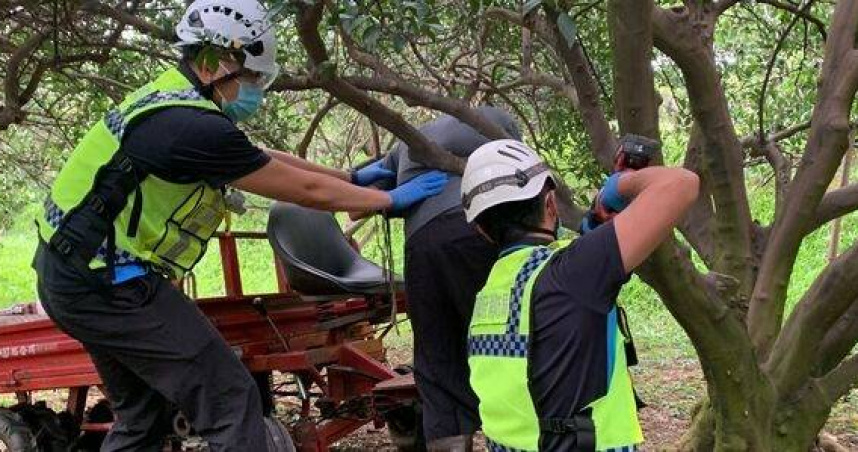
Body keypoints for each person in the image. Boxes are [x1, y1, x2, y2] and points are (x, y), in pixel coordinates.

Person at [31, 0, 447, 450]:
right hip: (106, 285)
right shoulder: (188, 127)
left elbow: (261, 158)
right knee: (229, 398)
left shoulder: (177, 102)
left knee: (142, 414)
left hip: (75, 275)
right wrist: (386, 200)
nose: (253, 90)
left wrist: (349, 178)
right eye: (248, 78)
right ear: (213, 63)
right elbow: (303, 193)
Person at [460, 139, 699, 451]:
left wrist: (596, 229)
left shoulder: (492, 291)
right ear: (550, 204)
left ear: (481, 228)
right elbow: (682, 183)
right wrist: (619, 186)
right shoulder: (572, 274)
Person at [354, 107, 521, 451]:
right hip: (479, 230)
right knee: (501, 341)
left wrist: (390, 193)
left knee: (437, 359)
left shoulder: (405, 144)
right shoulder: (496, 122)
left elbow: (357, 206)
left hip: (424, 245)